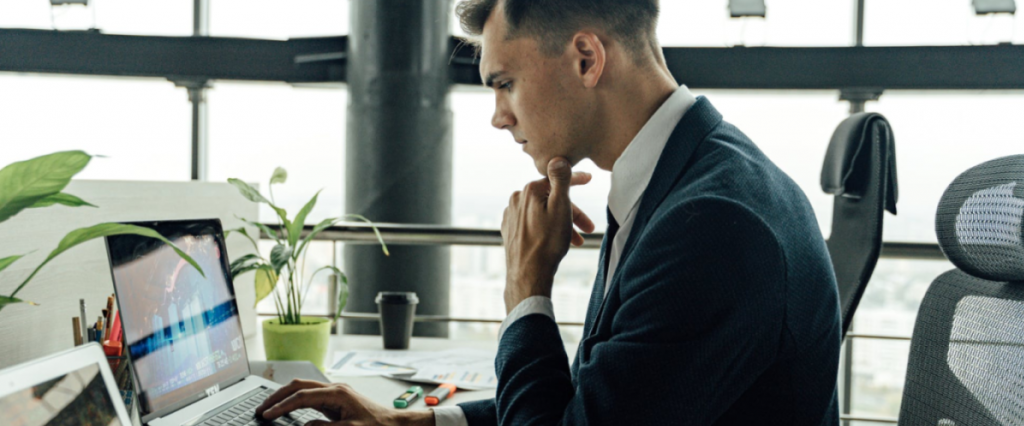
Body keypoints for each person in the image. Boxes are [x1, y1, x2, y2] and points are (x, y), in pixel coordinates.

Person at [255, 0, 841, 424]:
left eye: (504, 82)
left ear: (587, 58)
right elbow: (592, 405)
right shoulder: (681, 178)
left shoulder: (710, 227)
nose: (498, 115)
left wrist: (526, 291)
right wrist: (410, 422)